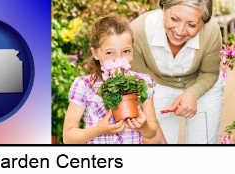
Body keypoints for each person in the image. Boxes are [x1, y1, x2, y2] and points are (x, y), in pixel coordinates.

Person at [131, 0, 224, 144]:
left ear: (202, 23)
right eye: (174, 19)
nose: (180, 31)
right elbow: (139, 81)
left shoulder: (211, 31)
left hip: (203, 83)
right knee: (159, 140)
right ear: (164, 9)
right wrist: (151, 122)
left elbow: (209, 73)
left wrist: (192, 93)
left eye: (191, 25)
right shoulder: (138, 31)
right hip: (156, 85)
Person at [63, 15, 165, 144]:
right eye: (110, 52)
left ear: (133, 49)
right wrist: (99, 130)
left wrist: (143, 126)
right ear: (95, 53)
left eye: (126, 51)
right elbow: (68, 138)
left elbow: (152, 131)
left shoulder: (143, 82)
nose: (119, 59)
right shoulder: (84, 85)